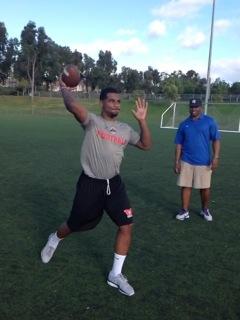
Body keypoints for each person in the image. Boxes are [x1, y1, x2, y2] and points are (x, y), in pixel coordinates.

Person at [41, 80, 151, 297]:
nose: (116, 105)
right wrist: (64, 87)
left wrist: (142, 121)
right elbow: (73, 106)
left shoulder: (125, 129)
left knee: (126, 225)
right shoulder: (92, 121)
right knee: (75, 222)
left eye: (119, 101)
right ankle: (54, 238)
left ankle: (115, 275)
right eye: (111, 101)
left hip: (114, 184)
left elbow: (146, 145)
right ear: (102, 103)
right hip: (90, 184)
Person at [174, 98, 220, 222]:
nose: (193, 109)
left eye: (196, 107)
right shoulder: (184, 124)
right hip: (186, 160)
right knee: (185, 186)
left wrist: (215, 157)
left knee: (205, 188)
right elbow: (179, 144)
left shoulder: (209, 122)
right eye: (191, 107)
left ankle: (205, 209)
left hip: (204, 162)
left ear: (200, 107)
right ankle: (184, 210)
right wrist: (177, 161)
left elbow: (216, 140)